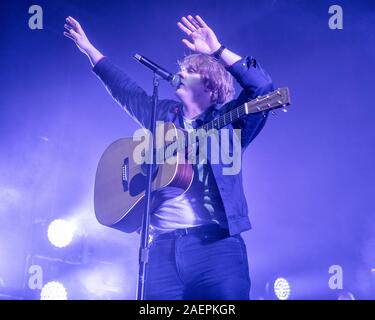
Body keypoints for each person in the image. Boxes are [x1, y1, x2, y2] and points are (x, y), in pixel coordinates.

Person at [64, 14, 274, 300]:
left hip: (216, 248)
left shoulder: (230, 124)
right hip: (160, 250)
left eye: (190, 70)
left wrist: (217, 51)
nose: (181, 73)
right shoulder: (163, 116)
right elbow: (127, 91)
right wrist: (89, 49)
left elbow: (262, 88)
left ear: (210, 86)